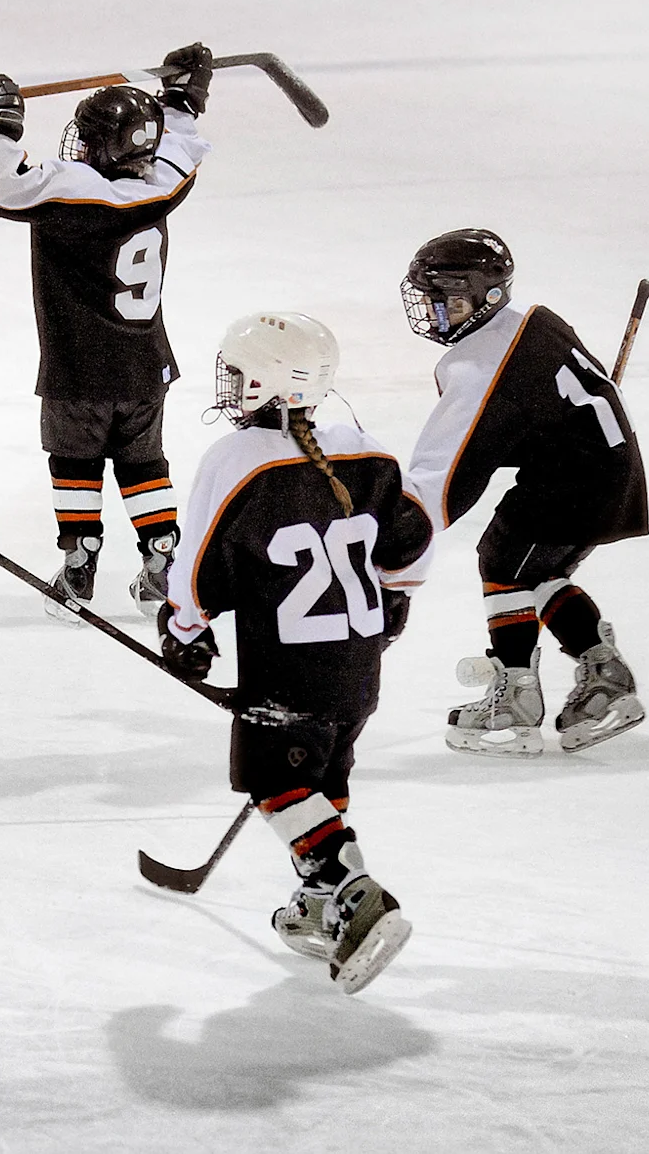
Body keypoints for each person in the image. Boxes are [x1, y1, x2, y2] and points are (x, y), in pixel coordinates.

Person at [157, 312, 434, 992]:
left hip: (286, 669)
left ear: (266, 382)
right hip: (359, 664)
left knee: (274, 783)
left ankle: (355, 892)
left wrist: (185, 630)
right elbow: (411, 539)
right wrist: (394, 599)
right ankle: (316, 905)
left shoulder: (236, 460)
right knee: (319, 779)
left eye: (237, 373)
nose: (228, 383)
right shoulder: (367, 450)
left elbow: (199, 567)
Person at [0, 44, 214, 619]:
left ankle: (79, 561)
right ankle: (161, 556)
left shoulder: (71, 191)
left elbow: (2, 181)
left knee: (75, 462)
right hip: (145, 366)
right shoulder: (161, 184)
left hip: (77, 369)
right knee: (144, 463)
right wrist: (183, 97)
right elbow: (180, 145)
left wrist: (1, 121)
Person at [401, 228, 649, 757]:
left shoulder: (480, 363)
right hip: (608, 468)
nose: (435, 312)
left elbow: (449, 475)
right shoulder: (532, 320)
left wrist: (398, 525)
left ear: (487, 296)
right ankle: (605, 676)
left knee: (503, 560)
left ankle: (516, 696)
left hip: (573, 479)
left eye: (448, 300)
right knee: (534, 570)